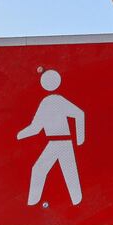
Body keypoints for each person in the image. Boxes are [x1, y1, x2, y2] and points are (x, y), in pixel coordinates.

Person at [17, 69, 85, 206]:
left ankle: (77, 203)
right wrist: (19, 135)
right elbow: (36, 128)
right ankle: (33, 203)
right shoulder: (46, 102)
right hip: (56, 143)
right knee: (43, 170)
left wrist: (80, 138)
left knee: (64, 172)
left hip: (62, 143)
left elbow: (79, 114)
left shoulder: (56, 100)